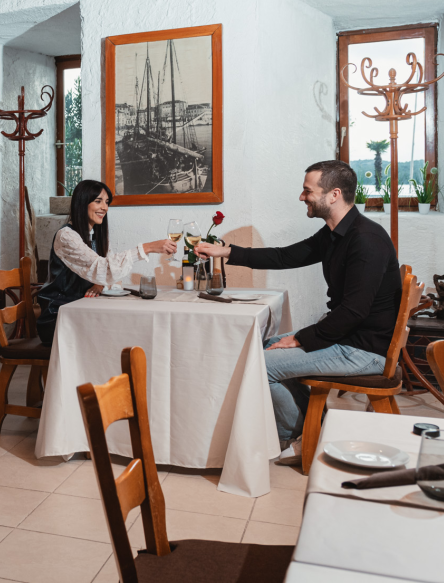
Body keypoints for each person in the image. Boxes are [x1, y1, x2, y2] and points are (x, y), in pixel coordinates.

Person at [195, 160, 401, 461]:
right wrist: (226, 251)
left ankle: (296, 439)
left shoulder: (365, 240)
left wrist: (302, 338)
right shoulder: (335, 233)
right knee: (264, 346)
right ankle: (314, 429)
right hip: (350, 337)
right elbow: (285, 256)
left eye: (308, 191)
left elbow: (354, 312)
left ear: (334, 195)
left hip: (364, 348)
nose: (302, 197)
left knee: (261, 364)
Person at [36, 179, 177, 344]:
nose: (105, 207)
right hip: (59, 318)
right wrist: (146, 248)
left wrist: (100, 284)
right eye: (98, 201)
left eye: (107, 202)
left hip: (82, 311)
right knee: (117, 335)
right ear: (82, 203)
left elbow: (111, 275)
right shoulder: (67, 236)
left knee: (126, 329)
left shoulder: (94, 236)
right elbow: (104, 269)